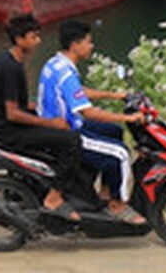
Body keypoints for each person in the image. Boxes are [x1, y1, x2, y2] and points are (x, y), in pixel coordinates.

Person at [37, 20, 146, 225]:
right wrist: (128, 118)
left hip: (56, 127)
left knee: (113, 132)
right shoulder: (67, 74)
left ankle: (104, 192)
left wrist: (115, 95)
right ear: (75, 45)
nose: (92, 46)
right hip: (67, 135)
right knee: (121, 154)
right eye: (88, 42)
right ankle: (118, 205)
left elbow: (79, 93)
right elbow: (88, 112)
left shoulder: (56, 63)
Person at [0, 14, 83, 221]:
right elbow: (13, 113)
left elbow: (20, 105)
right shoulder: (10, 67)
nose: (38, 41)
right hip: (7, 129)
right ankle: (54, 198)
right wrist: (50, 122)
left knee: (58, 133)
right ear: (20, 39)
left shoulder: (11, 60)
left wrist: (41, 108)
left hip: (5, 123)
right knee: (72, 141)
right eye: (34, 37)